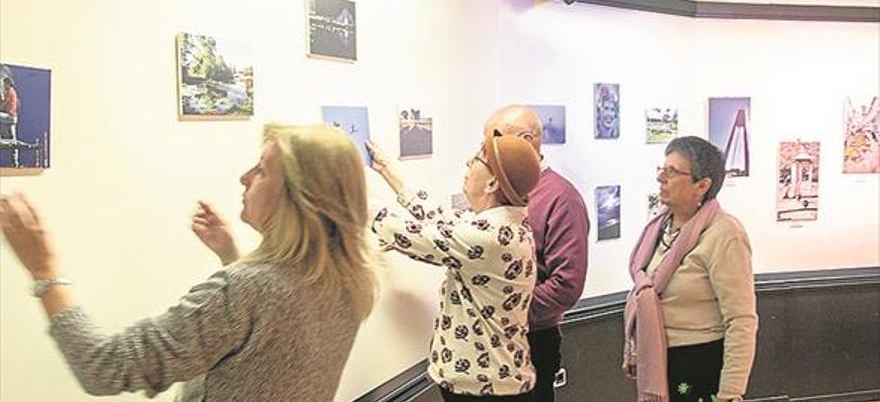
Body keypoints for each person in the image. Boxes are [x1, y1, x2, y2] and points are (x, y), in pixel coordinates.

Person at [0, 123, 378, 401]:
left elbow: (104, 367)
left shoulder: (246, 291)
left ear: (300, 198)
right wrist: (231, 254)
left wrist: (44, 270)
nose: (244, 177)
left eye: (261, 169)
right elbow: (276, 333)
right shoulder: (349, 274)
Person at [367, 132, 541, 402]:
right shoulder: (502, 225)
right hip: (495, 382)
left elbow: (413, 234)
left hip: (485, 389)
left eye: (477, 159)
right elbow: (441, 220)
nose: (468, 163)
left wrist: (344, 192)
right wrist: (389, 171)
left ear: (492, 182)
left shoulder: (489, 235)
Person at [622, 136, 758, 402]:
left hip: (699, 366)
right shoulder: (659, 226)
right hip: (661, 364)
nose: (661, 177)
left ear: (702, 185)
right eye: (661, 169)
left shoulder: (724, 233)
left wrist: (730, 393)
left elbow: (741, 319)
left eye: (672, 171)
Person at [484, 105, 590, 402]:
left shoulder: (562, 199)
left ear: (528, 140)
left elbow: (566, 286)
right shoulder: (495, 190)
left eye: (493, 139)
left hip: (531, 339)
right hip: (491, 342)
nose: (484, 150)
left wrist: (507, 312)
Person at [0, 74, 21, 166]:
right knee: (13, 140)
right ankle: (15, 162)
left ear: (8, 84)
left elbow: (3, 105)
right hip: (13, 117)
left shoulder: (10, 91)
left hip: (10, 117)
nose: (4, 86)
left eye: (4, 84)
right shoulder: (12, 92)